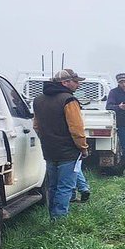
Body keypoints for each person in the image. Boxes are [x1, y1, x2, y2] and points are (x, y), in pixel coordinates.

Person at [32, 68, 88, 220]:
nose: (78, 85)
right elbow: (76, 129)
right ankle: (59, 220)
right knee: (65, 187)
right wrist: (83, 148)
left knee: (53, 186)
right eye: (76, 82)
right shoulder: (69, 100)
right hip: (68, 151)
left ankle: (53, 216)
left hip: (49, 150)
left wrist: (47, 139)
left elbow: (36, 126)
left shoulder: (38, 100)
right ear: (65, 83)